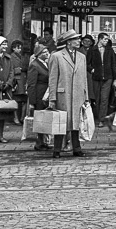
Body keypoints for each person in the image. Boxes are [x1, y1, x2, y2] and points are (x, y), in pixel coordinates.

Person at [45, 29, 89, 159]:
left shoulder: (82, 57)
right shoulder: (57, 56)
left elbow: (84, 77)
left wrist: (86, 96)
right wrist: (52, 98)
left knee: (76, 122)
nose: (79, 41)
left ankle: (77, 148)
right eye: (76, 39)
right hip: (63, 94)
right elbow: (52, 79)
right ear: (69, 42)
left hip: (78, 95)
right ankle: (57, 149)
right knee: (61, 122)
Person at [88, 33, 116, 127]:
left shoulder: (110, 50)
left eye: (107, 39)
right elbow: (87, 63)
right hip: (96, 77)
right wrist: (92, 70)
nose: (106, 41)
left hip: (108, 77)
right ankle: (99, 117)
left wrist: (115, 79)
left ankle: (102, 119)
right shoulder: (92, 50)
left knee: (104, 98)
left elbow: (113, 64)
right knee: (98, 99)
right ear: (99, 39)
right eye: (105, 39)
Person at [27, 43, 51, 151]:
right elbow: (31, 84)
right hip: (39, 95)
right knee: (40, 119)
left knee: (45, 118)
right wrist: (32, 101)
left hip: (46, 95)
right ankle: (39, 142)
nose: (47, 53)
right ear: (39, 54)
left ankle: (44, 141)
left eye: (47, 51)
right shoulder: (34, 65)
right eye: (44, 52)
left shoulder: (46, 64)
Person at [9, 40, 28, 125]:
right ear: (13, 48)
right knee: (15, 100)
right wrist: (18, 70)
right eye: (18, 47)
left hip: (24, 80)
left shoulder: (24, 56)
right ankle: (16, 117)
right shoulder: (10, 57)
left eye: (20, 48)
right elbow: (9, 69)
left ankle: (22, 117)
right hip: (16, 80)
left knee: (24, 100)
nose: (20, 49)